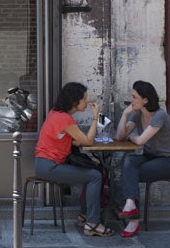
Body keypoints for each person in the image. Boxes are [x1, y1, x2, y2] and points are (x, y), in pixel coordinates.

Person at [34, 81, 113, 237]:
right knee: (95, 176)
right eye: (84, 98)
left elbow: (73, 140)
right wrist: (95, 117)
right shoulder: (64, 119)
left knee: (89, 174)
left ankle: (85, 216)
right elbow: (88, 141)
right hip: (50, 166)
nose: (87, 101)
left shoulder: (56, 114)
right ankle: (92, 224)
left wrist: (82, 138)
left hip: (44, 164)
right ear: (74, 101)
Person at [114, 80, 170, 238]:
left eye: (134, 97)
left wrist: (132, 139)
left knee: (129, 172)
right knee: (129, 161)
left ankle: (133, 219)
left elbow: (140, 140)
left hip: (168, 162)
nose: (131, 100)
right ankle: (130, 204)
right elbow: (120, 136)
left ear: (145, 100)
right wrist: (125, 114)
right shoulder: (137, 114)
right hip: (150, 158)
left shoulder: (160, 115)